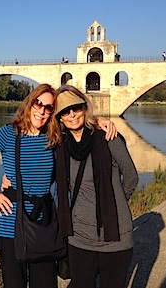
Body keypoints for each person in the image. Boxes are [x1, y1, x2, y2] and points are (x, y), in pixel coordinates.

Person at [0, 84, 116, 288]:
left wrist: (99, 120)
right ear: (30, 103)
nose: (42, 111)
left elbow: (78, 125)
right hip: (11, 224)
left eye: (48, 108)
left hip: (44, 224)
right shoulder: (9, 134)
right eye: (38, 103)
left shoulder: (55, 136)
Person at [53, 85, 138, 288]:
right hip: (79, 237)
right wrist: (10, 177)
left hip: (115, 234)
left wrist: (114, 204)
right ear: (59, 118)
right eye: (65, 111)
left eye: (76, 108)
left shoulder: (108, 137)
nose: (72, 114)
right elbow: (41, 174)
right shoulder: (60, 146)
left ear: (84, 108)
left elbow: (131, 178)